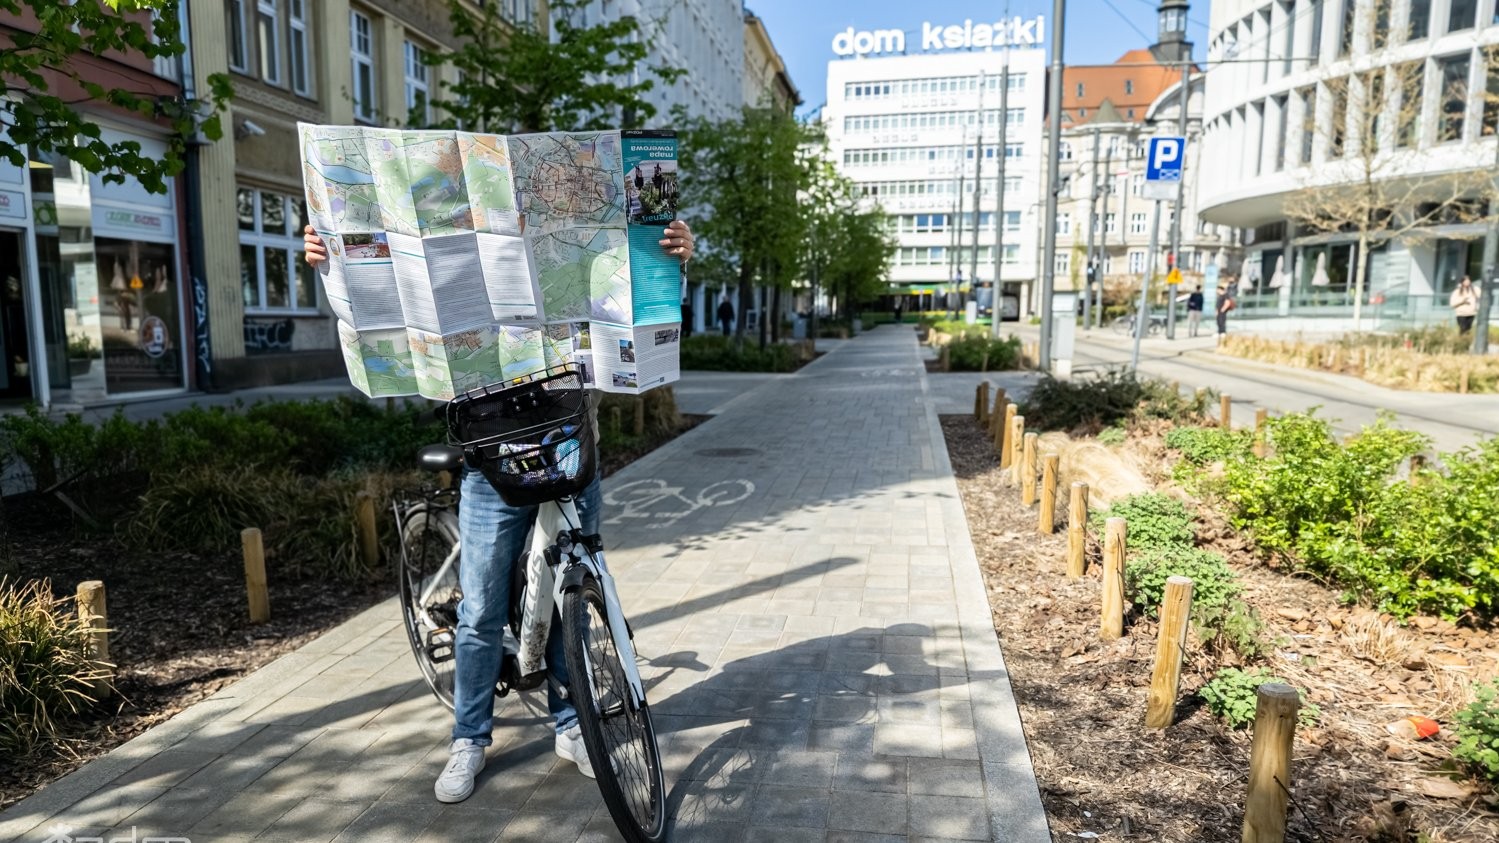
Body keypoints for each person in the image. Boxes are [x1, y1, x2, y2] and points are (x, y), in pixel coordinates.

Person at [302, 217, 695, 804]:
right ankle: (469, 737)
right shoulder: (458, 267)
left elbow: (635, 303)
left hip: (568, 451)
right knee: (482, 612)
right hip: (492, 463)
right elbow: (392, 304)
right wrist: (334, 262)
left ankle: (571, 724)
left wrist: (674, 259)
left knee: (571, 598)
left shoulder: (569, 255)